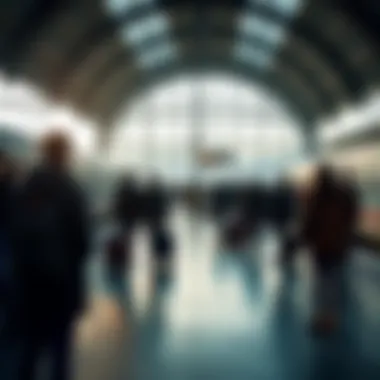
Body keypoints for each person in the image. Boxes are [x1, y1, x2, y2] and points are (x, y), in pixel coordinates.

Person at [10, 130, 90, 380]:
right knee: (60, 347)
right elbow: (81, 242)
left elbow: (15, 233)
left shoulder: (26, 186)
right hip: (62, 279)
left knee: (30, 345)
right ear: (66, 154)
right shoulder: (71, 189)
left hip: (29, 279)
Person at [301, 164, 358, 334]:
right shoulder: (343, 196)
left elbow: (309, 222)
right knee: (334, 281)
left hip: (322, 246)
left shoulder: (315, 197)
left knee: (322, 282)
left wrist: (305, 238)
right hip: (338, 245)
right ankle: (332, 318)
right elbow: (349, 219)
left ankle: (324, 318)